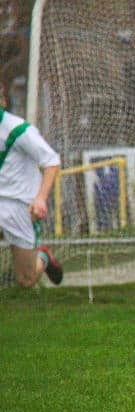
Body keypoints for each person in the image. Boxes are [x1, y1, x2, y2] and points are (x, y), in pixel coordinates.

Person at [0, 95, 63, 288]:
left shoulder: (18, 130)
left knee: (26, 280)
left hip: (19, 206)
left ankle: (43, 255)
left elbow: (51, 161)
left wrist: (41, 199)